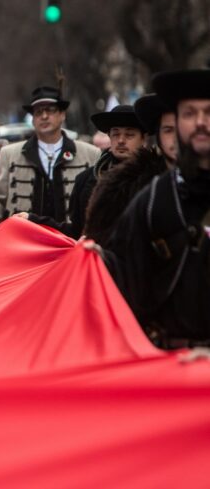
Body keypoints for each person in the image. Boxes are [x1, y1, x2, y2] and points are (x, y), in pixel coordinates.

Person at [98, 70, 210, 349]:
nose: (200, 123)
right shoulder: (152, 200)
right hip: (170, 365)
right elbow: (128, 277)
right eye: (188, 114)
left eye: (209, 113)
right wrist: (98, 259)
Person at [0, 86, 99, 235]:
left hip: (71, 244)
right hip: (23, 243)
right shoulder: (9, 154)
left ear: (62, 115)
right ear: (33, 119)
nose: (44, 116)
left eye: (50, 110)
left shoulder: (90, 154)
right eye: (38, 112)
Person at [65, 105, 147, 238]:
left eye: (129, 135)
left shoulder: (156, 178)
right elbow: (76, 231)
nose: (121, 140)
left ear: (143, 138)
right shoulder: (86, 180)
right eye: (115, 134)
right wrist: (34, 220)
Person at [134, 93, 177, 167]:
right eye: (168, 131)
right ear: (158, 136)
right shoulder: (142, 177)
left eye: (183, 130)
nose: (177, 138)